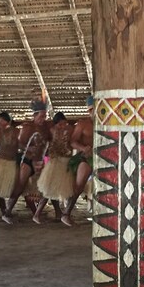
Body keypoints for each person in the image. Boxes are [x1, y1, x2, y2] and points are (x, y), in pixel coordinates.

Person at [2, 98, 51, 224]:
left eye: (45, 116)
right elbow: (20, 144)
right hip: (28, 160)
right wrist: (29, 148)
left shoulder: (46, 127)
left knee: (48, 185)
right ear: (35, 115)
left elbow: (49, 141)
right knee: (20, 186)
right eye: (41, 116)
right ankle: (7, 212)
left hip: (41, 160)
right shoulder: (28, 127)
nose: (43, 118)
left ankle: (40, 213)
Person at [33, 112, 74, 224]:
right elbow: (45, 143)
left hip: (65, 161)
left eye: (64, 123)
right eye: (60, 124)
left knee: (58, 189)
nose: (62, 126)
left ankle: (59, 213)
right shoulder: (51, 130)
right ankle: (37, 214)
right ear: (56, 123)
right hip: (54, 162)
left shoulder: (69, 129)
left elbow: (71, 142)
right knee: (49, 190)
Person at [61, 96, 94, 227]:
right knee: (78, 186)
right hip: (85, 158)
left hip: (101, 158)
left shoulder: (106, 123)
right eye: (94, 109)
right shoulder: (82, 124)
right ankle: (66, 214)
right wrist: (83, 148)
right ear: (90, 110)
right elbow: (73, 141)